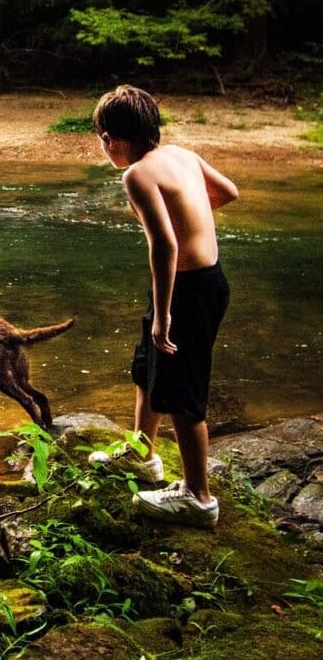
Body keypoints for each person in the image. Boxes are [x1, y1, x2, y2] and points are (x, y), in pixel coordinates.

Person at [88, 85, 238, 528]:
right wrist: (189, 207)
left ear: (110, 138)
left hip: (186, 289)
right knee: (147, 368)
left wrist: (165, 314)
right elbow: (228, 191)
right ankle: (142, 453)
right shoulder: (181, 155)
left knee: (182, 392)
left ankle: (198, 497)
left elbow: (165, 245)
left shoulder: (135, 175)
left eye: (102, 138)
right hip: (208, 281)